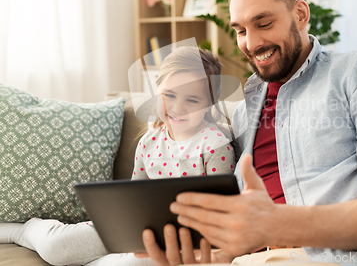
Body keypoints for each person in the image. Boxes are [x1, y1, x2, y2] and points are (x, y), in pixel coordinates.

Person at [138, 0, 357, 266]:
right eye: (240, 30)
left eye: (264, 24)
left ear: (300, 14)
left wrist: (277, 224)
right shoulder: (244, 113)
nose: (251, 43)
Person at [0, 46, 235, 266]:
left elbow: (221, 212)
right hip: (132, 228)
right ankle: (23, 230)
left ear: (210, 103)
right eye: (169, 95)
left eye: (192, 100)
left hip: (173, 241)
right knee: (56, 248)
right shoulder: (149, 141)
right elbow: (134, 195)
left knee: (138, 262)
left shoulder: (216, 145)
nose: (177, 107)